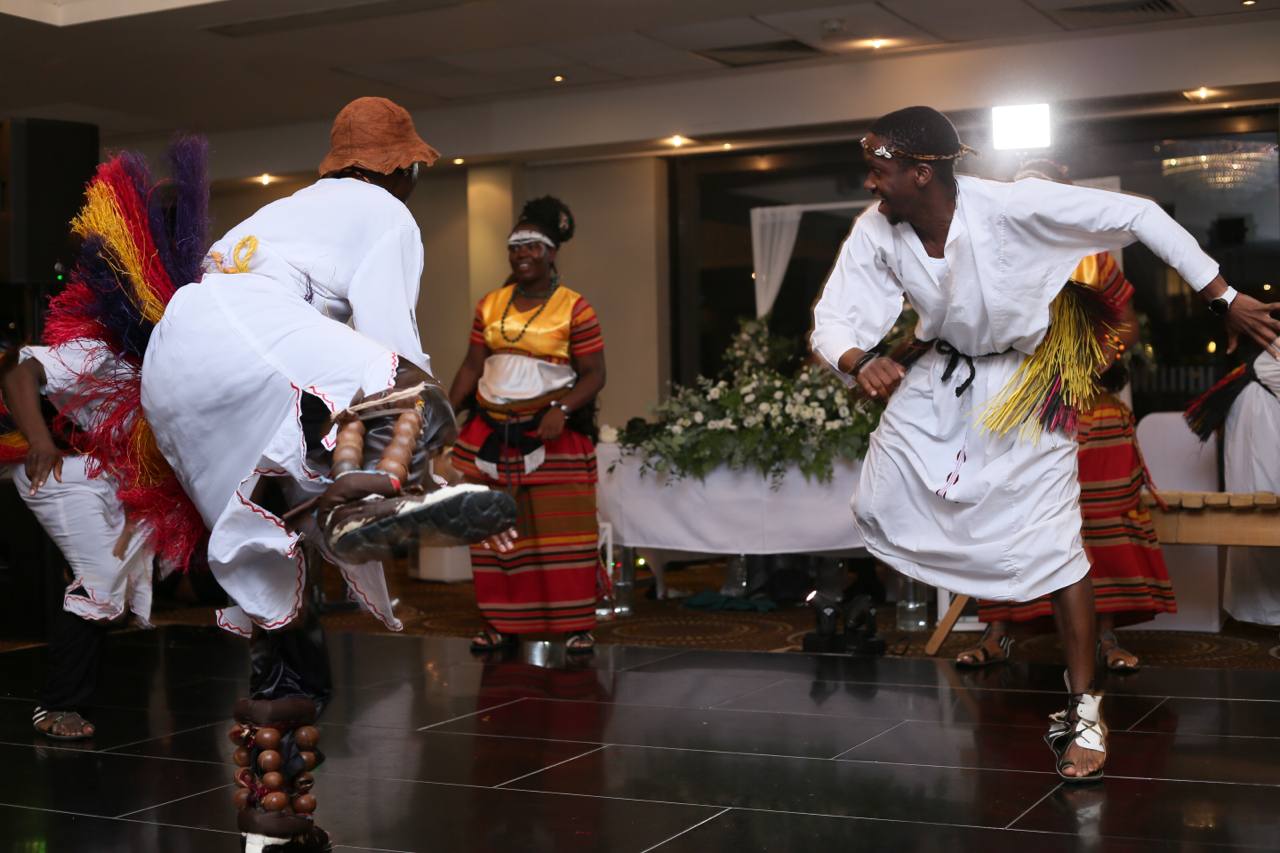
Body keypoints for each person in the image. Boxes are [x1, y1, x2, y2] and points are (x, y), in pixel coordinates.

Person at [811, 106, 1279, 782]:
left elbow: (1142, 216)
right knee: (878, 501)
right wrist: (857, 359)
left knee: (1057, 543)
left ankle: (1085, 704)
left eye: (880, 170)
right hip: (945, 374)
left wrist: (1223, 294)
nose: (869, 183)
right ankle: (993, 575)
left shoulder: (1012, 205)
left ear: (922, 172)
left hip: (1031, 380)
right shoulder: (876, 230)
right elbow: (834, 318)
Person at [139, 96, 515, 845]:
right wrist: (427, 455)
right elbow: (388, 343)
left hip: (174, 370)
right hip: (245, 340)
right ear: (404, 166)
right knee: (410, 385)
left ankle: (270, 826)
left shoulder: (284, 211)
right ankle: (366, 499)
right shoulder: (387, 216)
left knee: (280, 587)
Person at [957, 162, 1175, 673]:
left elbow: (1127, 328)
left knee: (1096, 523)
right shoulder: (992, 258)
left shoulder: (1091, 259)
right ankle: (999, 633)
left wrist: (1084, 358)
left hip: (1088, 412)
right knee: (1009, 520)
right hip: (1016, 411)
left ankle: (1105, 636)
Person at [447, 196, 607, 655]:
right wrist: (440, 414)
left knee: (564, 536)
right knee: (494, 534)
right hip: (492, 433)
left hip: (552, 431)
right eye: (515, 247)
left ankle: (577, 625)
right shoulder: (489, 305)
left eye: (532, 247)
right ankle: (499, 624)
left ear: (551, 253)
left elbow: (595, 374)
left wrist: (563, 407)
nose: (522, 255)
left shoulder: (576, 308)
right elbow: (471, 366)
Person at [1, 341, 155, 741]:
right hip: (59, 468)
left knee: (118, 584)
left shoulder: (164, 374)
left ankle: (76, 689)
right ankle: (57, 703)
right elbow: (19, 373)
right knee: (101, 579)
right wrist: (39, 441)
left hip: (107, 476)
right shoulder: (100, 347)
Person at [1185, 337, 1280, 627]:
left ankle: (1261, 612)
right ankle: (1265, 614)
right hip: (1261, 417)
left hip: (1262, 412)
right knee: (1262, 507)